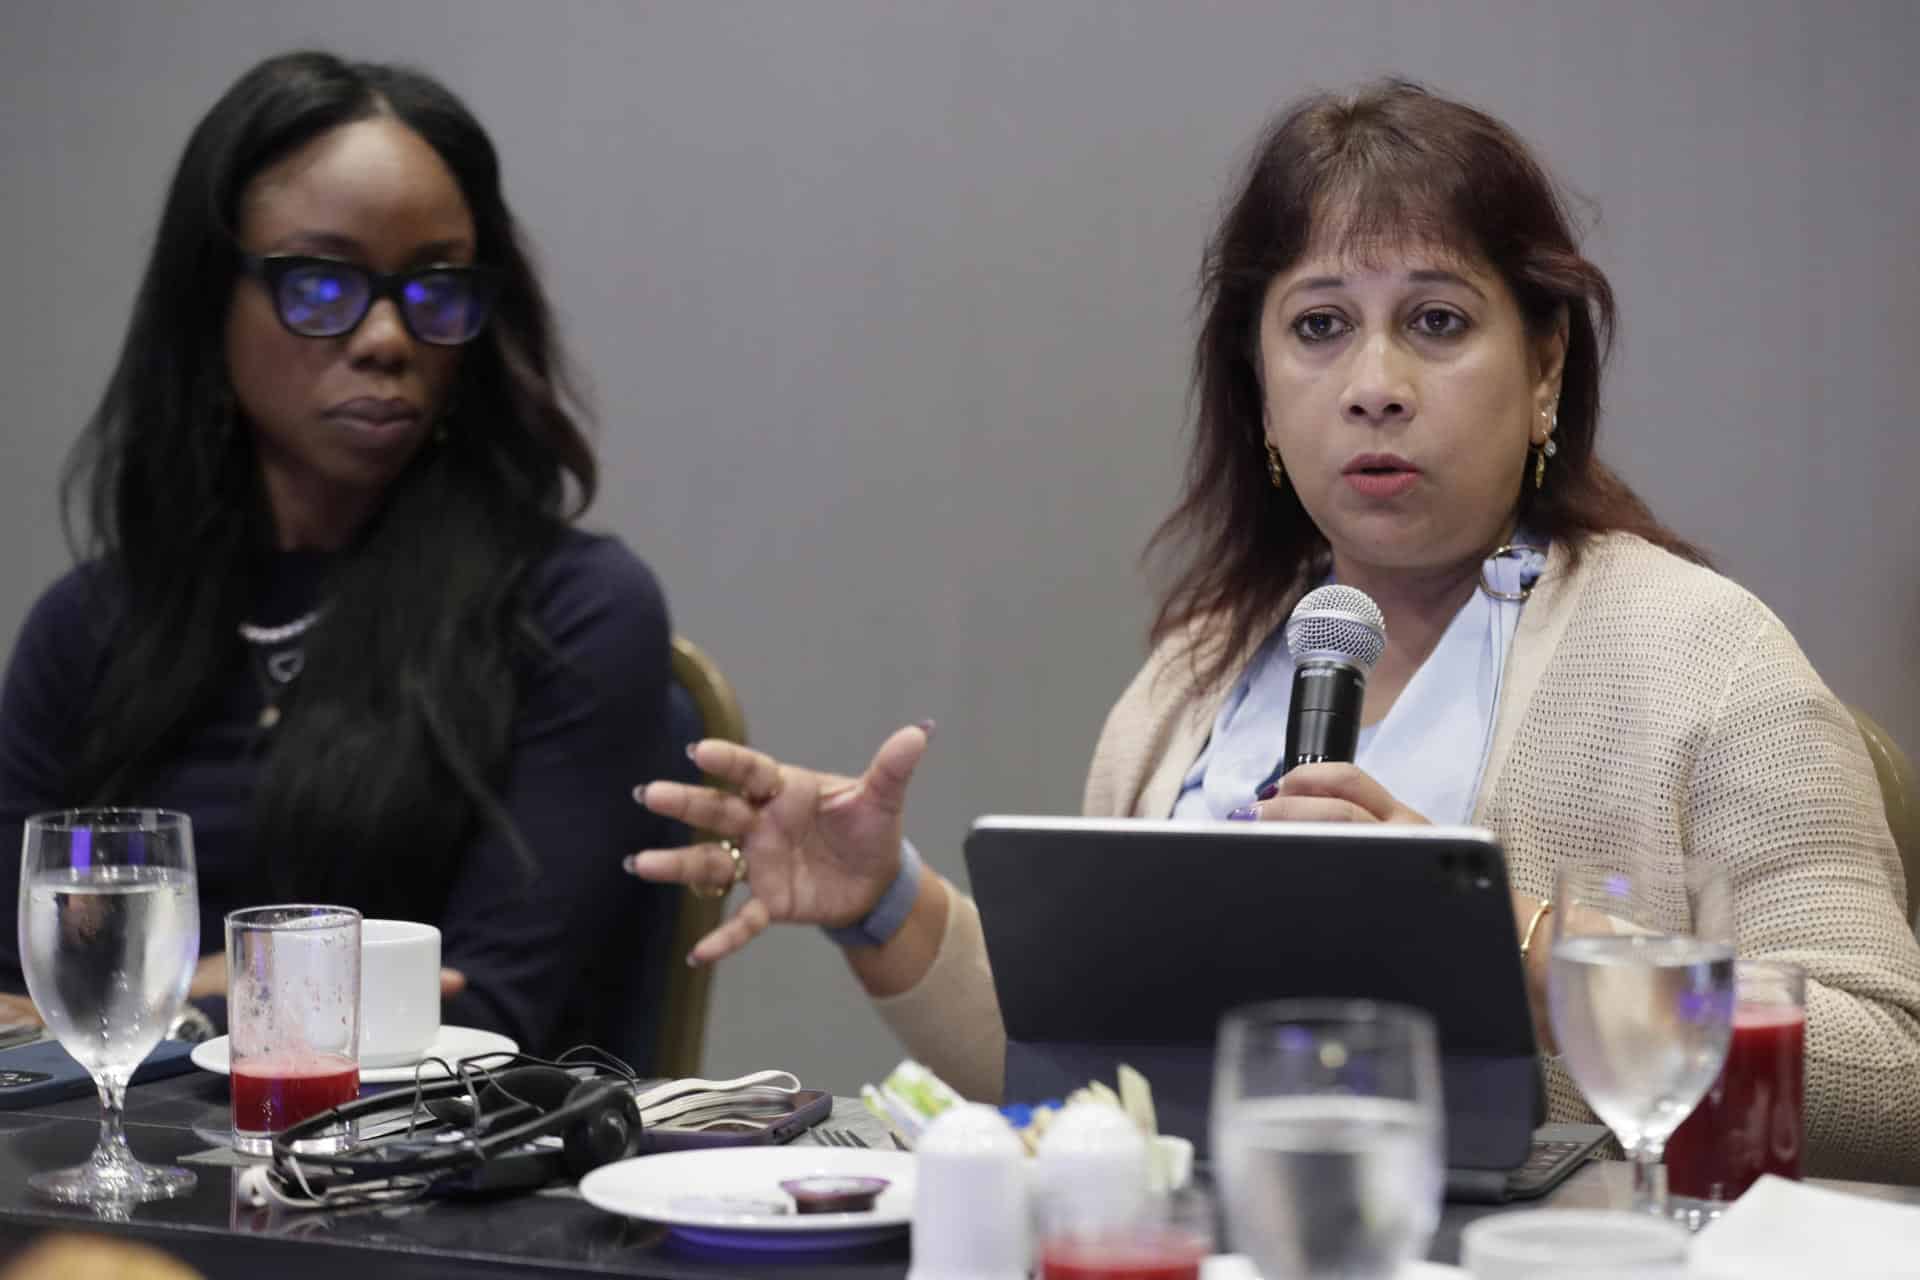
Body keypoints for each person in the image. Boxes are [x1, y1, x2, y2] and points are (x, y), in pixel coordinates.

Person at [630, 80, 1920, 1182]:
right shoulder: (1200, 675)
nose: (1373, 385)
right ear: (1257, 393)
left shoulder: (1705, 658)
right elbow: (1100, 1086)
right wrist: (881, 903)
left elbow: (1895, 1083)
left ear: (1545, 371)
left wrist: (1520, 947)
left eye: (1437, 321)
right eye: (1318, 327)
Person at [0, 51, 685, 1063]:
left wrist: (152, 1006)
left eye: (436, 289)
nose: (385, 337)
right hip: (95, 1190)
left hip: (408, 1198)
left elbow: (480, 1014)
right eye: (321, 284)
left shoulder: (572, 610)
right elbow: (11, 990)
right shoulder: (94, 623)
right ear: (208, 300)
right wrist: (281, 984)